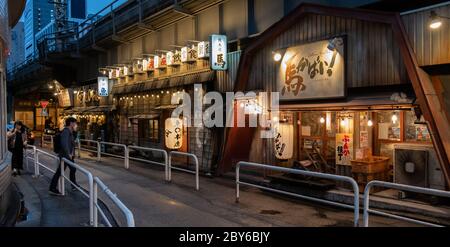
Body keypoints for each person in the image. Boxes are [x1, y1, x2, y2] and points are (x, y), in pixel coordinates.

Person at [49, 117, 79, 195]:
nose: (76, 124)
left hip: (67, 156)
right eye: (75, 123)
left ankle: (72, 185)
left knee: (67, 170)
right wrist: (68, 153)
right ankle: (72, 185)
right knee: (70, 169)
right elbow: (64, 143)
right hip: (65, 156)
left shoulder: (70, 132)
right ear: (71, 123)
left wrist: (72, 153)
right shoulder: (66, 132)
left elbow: (71, 143)